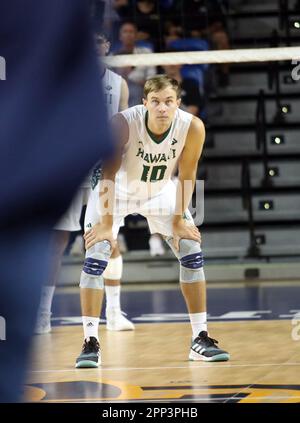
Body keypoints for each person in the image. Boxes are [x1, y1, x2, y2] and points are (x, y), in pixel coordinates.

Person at [0, 0, 113, 402]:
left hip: (40, 182)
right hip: (32, 184)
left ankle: (104, 321)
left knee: (82, 244)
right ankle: (89, 328)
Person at [75, 74, 230, 368]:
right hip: (114, 189)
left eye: (169, 102)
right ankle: (90, 342)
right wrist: (107, 226)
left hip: (158, 191)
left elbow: (187, 175)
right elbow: (107, 175)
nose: (162, 108)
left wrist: (179, 219)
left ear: (178, 103)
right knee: (97, 254)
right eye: (156, 102)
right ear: (144, 102)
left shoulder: (192, 127)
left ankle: (200, 338)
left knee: (191, 249)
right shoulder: (123, 123)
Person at [35, 33, 134, 335]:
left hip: (103, 169)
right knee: (56, 241)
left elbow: (125, 128)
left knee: (108, 238)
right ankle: (43, 313)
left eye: (99, 43)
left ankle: (114, 313)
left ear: (106, 47)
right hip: (69, 166)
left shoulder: (119, 83)